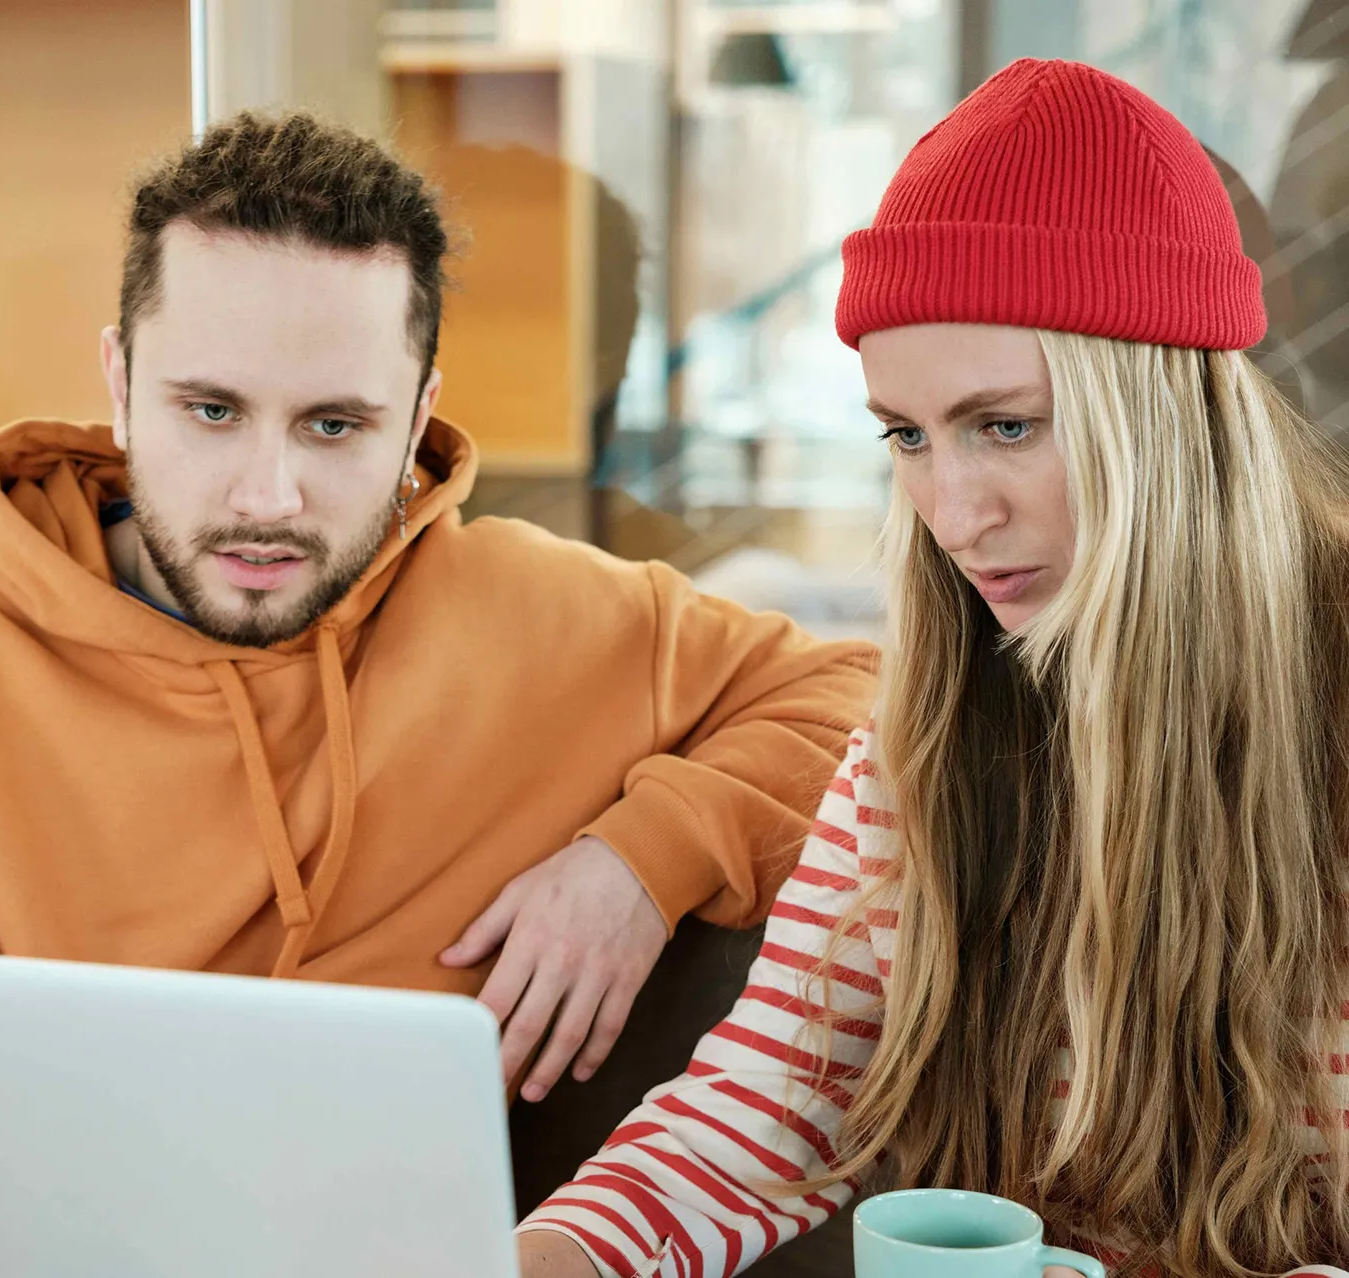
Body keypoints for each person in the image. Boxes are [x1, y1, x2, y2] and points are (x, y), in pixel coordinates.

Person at [0, 114, 879, 1160]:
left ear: (418, 416)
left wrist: (643, 862)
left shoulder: (539, 614)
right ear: (120, 381)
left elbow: (858, 693)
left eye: (335, 425)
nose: (268, 496)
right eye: (211, 410)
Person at [516, 59, 1349, 1278]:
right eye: (905, 435)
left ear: (1157, 408)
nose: (951, 514)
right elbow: (765, 1114)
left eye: (1002, 424)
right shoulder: (929, 735)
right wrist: (538, 1260)